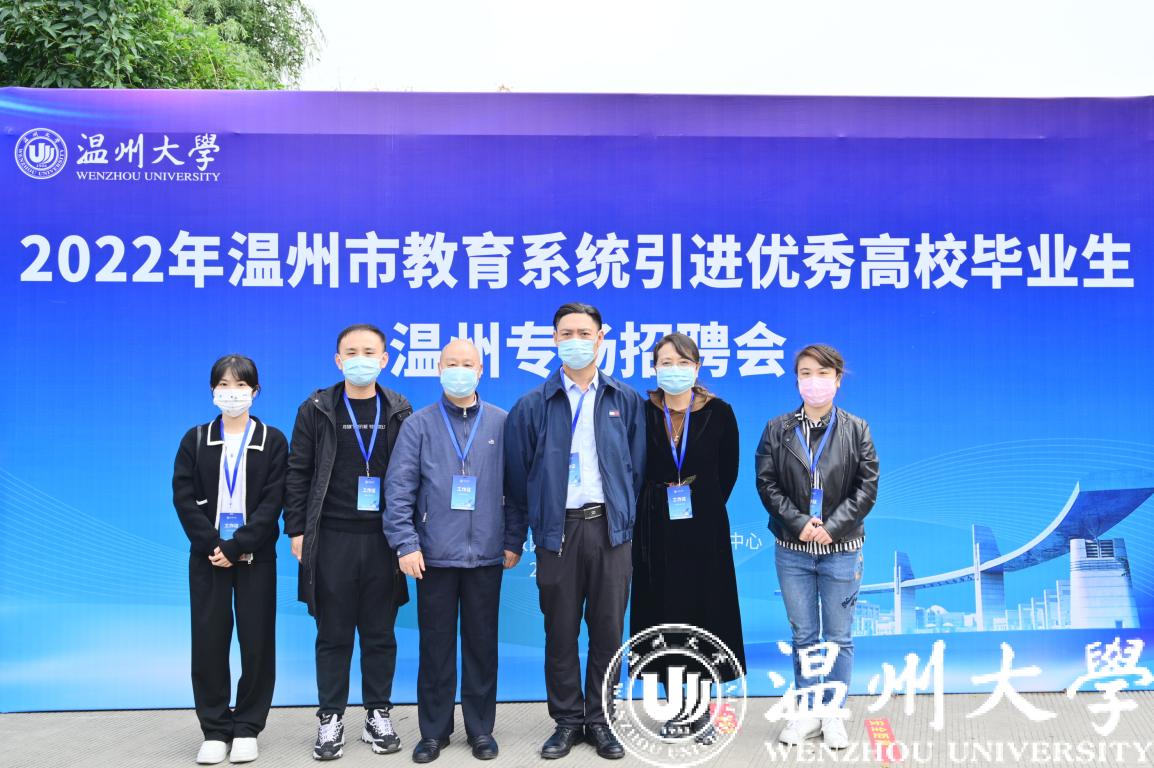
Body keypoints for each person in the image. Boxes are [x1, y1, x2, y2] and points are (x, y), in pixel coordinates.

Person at [504, 302, 646, 761]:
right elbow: (517, 480)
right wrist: (519, 536)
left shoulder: (625, 400)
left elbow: (637, 470)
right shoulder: (532, 405)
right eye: (567, 333)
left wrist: (623, 522)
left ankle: (601, 720)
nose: (576, 341)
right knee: (560, 631)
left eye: (585, 333)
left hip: (609, 530)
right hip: (557, 532)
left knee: (608, 631)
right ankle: (566, 720)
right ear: (554, 339)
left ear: (600, 338)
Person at [384, 339, 526, 764]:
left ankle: (481, 730)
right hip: (433, 557)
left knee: (482, 647)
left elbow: (516, 490)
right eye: (451, 363)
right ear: (438, 369)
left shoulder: (502, 422)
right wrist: (406, 543)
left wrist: (512, 539)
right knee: (436, 648)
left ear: (480, 371)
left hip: (486, 556)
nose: (459, 370)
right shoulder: (419, 425)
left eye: (467, 364)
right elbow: (399, 489)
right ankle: (433, 732)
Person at [284, 324, 412, 761]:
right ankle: (330, 718)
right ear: (338, 360)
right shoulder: (317, 409)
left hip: (383, 540)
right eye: (351, 352)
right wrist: (297, 530)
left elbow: (410, 477)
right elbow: (298, 472)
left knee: (380, 634)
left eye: (369, 352)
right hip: (331, 539)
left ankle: (378, 714)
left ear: (384, 359)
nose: (361, 359)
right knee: (333, 634)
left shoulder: (398, 409)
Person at [754, 344, 878, 750]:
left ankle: (833, 713)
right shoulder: (777, 429)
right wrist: (798, 522)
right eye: (806, 373)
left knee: (838, 637)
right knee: (804, 635)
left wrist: (834, 527)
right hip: (793, 548)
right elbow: (767, 483)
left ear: (837, 380)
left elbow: (867, 487)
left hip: (842, 548)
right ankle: (808, 710)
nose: (814, 381)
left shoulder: (857, 428)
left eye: (823, 373)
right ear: (796, 380)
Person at [629, 332, 745, 744]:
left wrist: (702, 502)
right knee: (662, 614)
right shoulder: (641, 411)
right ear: (654, 368)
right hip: (654, 530)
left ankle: (701, 709)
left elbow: (727, 472)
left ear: (697, 368)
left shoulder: (719, 413)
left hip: (704, 530)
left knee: (704, 613)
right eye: (666, 362)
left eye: (683, 363)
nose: (674, 370)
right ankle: (673, 705)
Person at [172, 355, 287, 765]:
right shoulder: (195, 439)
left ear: (255, 391)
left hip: (255, 557)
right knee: (208, 643)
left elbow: (274, 500)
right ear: (212, 391)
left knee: (257, 643)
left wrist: (238, 545)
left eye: (240, 385)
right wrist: (212, 545)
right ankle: (215, 729)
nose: (232, 393)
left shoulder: (272, 440)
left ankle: (248, 727)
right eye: (223, 385)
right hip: (208, 558)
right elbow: (183, 498)